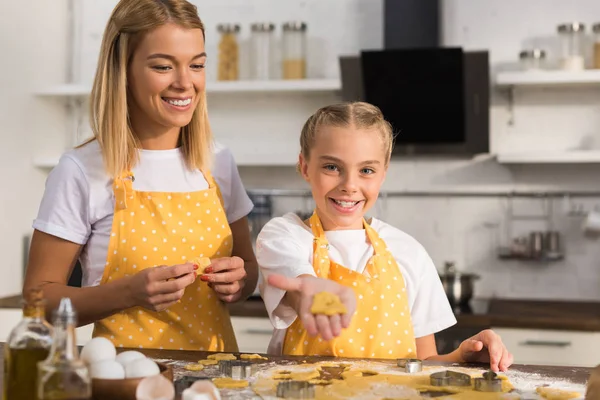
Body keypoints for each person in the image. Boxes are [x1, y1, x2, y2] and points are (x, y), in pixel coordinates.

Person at [23, 0, 258, 352]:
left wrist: (237, 282)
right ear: (123, 69)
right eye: (163, 66)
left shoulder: (218, 161)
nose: (185, 83)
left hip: (216, 379)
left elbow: (248, 268)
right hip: (124, 378)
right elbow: (37, 301)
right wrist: (128, 293)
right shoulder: (81, 170)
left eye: (197, 65)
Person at [256, 102, 513, 371]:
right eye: (332, 167)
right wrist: (312, 295)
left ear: (383, 174)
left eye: (366, 170)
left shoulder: (407, 251)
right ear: (305, 166)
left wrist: (463, 357)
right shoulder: (286, 236)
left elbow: (423, 362)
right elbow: (300, 286)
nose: (349, 185)